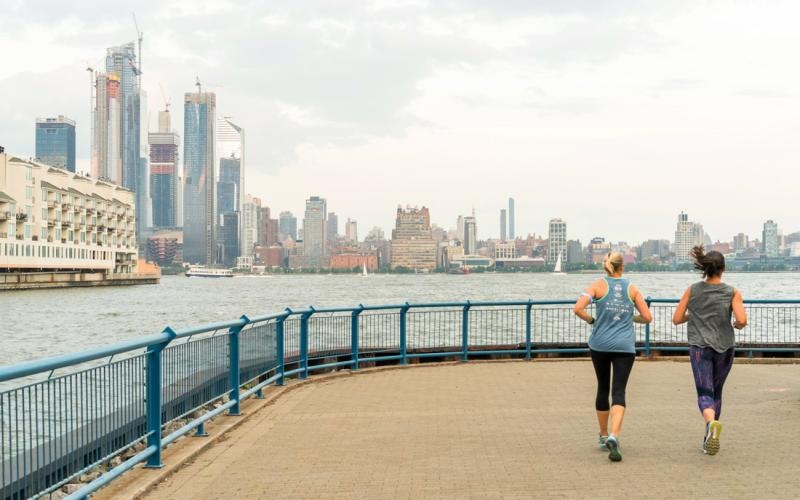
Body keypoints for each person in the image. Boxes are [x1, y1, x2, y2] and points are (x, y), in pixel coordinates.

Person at [573, 252, 652, 462]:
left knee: (602, 387)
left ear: (606, 267)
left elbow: (578, 308)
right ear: (622, 267)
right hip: (625, 347)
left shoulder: (597, 286)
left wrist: (592, 320)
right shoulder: (632, 288)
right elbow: (647, 317)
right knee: (619, 391)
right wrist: (631, 317)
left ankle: (603, 434)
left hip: (599, 345)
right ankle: (615, 435)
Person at [672, 246, 747, 455]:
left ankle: (711, 426)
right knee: (717, 392)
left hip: (700, 347)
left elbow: (676, 319)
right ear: (723, 269)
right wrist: (737, 324)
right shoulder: (732, 292)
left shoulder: (692, 290)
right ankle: (709, 437)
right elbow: (741, 320)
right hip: (725, 347)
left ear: (705, 269)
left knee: (704, 392)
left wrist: (692, 315)